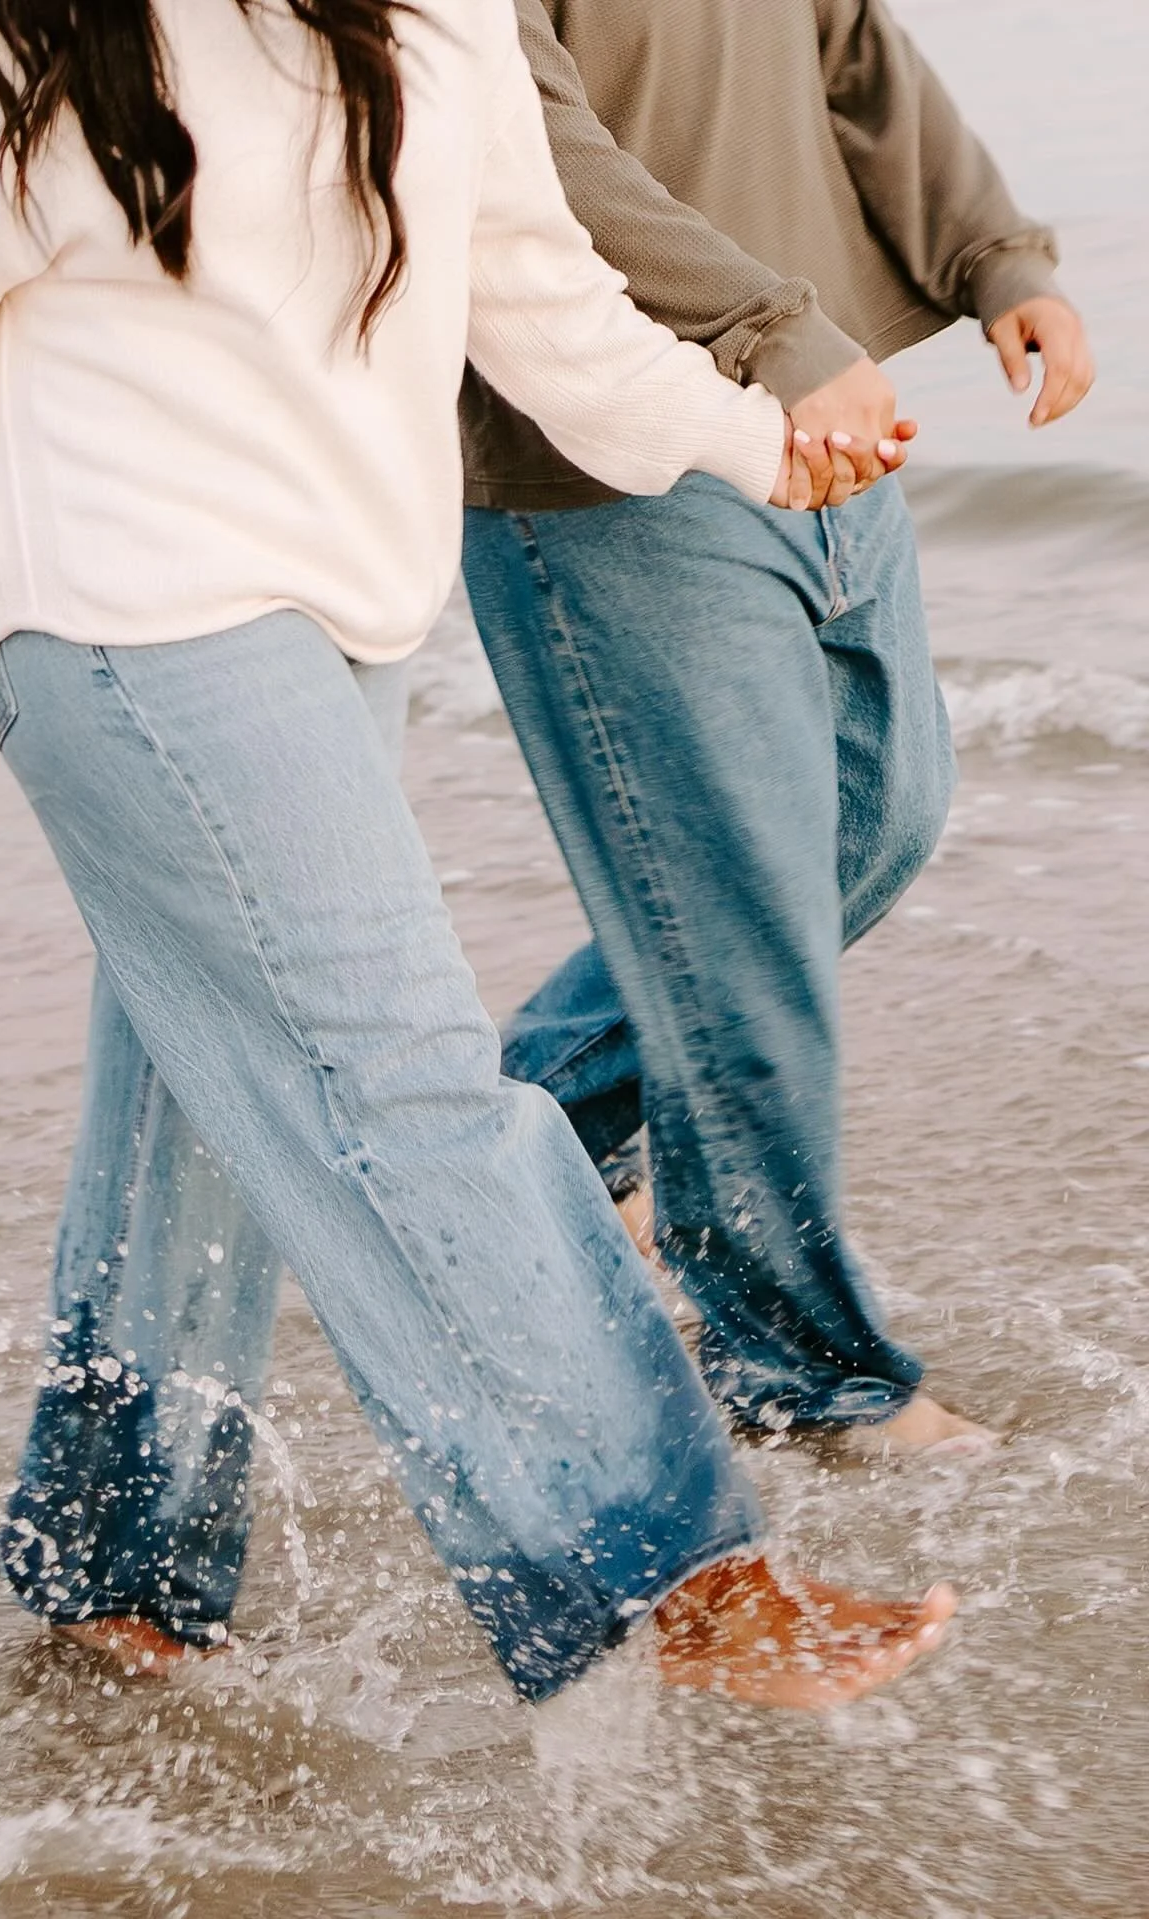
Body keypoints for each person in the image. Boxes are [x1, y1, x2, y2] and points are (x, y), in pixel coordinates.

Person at [0, 0, 954, 1705]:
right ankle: (677, 1571)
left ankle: (118, 1565)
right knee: (406, 1081)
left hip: (333, 630)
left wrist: (764, 442)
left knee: (201, 1109)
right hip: (122, 632)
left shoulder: (438, 24)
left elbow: (553, 324)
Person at [460, 0, 1095, 1451]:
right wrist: (765, 325)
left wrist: (992, 253)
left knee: (879, 820)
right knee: (739, 928)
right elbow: (515, 136)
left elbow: (850, 44)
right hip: (619, 454)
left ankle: (519, 1145)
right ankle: (804, 1372)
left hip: (825, 413)